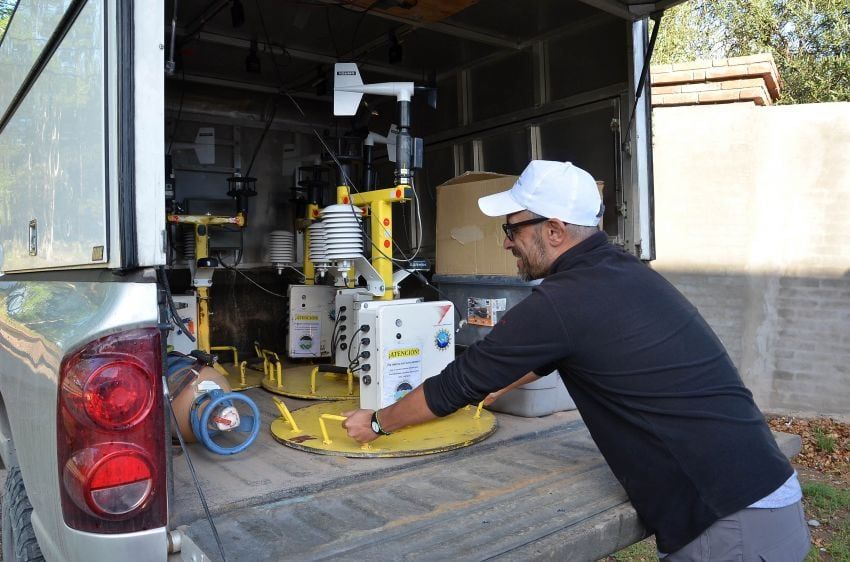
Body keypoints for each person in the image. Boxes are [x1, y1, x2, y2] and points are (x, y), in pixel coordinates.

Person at [342, 160, 811, 561]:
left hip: (729, 524)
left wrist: (378, 422)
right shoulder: (621, 273)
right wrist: (502, 382)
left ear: (553, 230)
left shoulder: (564, 300)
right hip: (760, 496)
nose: (506, 243)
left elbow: (457, 383)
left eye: (511, 229)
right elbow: (568, 349)